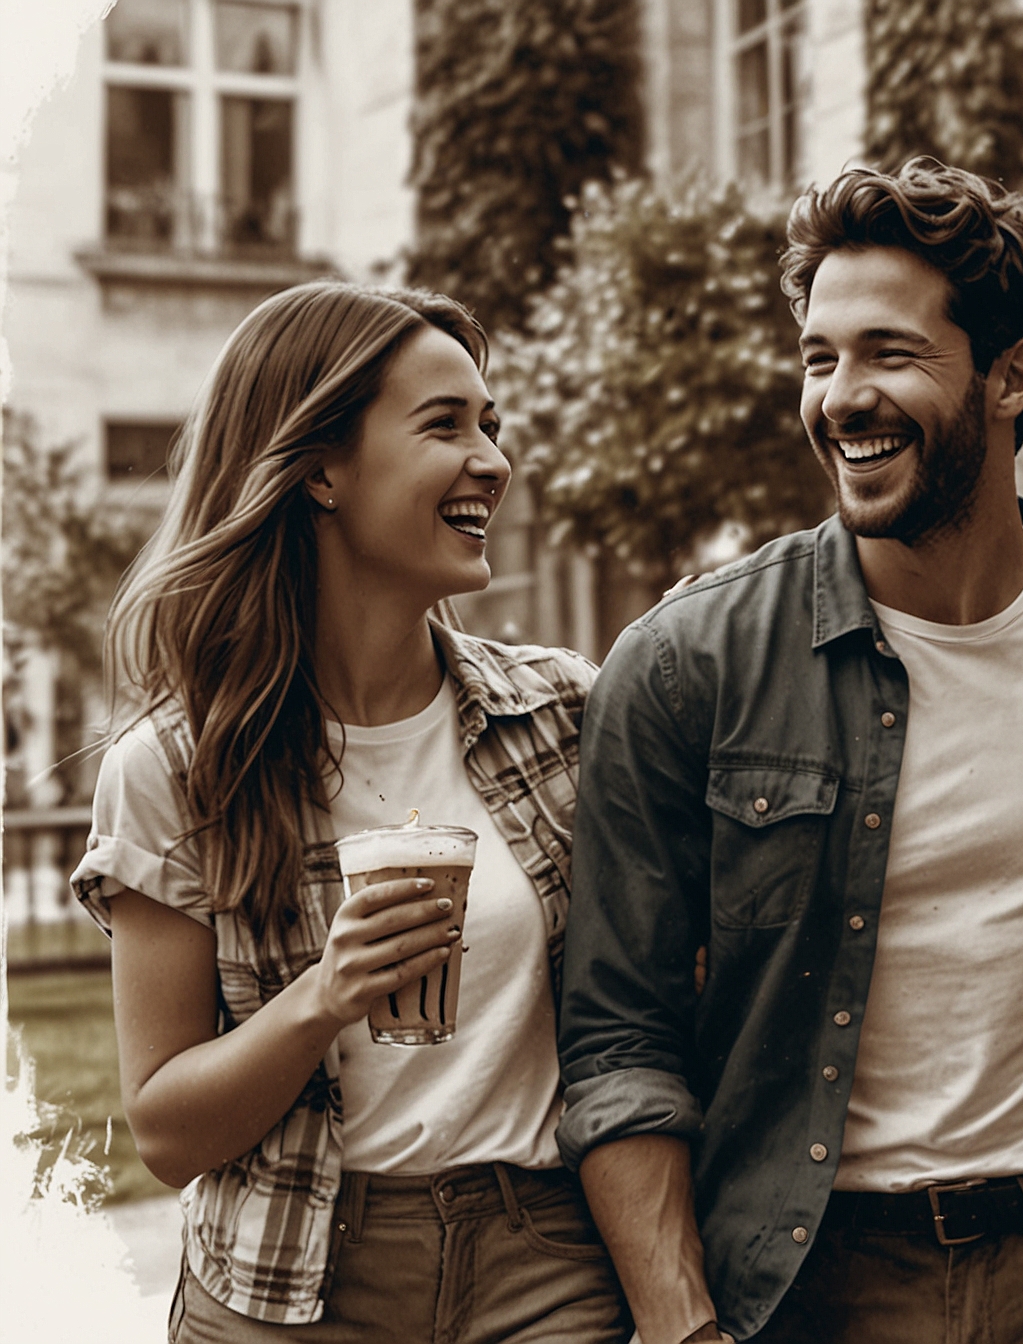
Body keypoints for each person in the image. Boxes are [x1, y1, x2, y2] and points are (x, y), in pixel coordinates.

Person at [556, 158, 1023, 1344]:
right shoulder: (689, 662)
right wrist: (680, 1323)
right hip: (807, 1282)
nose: (839, 396)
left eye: (888, 353)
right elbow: (619, 1032)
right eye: (819, 357)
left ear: (1010, 374)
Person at [70, 281, 632, 1341]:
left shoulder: (566, 712)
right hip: (286, 1284)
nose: (493, 462)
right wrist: (324, 996)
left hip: (544, 1261)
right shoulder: (176, 769)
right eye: (445, 425)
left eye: (491, 426)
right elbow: (166, 1132)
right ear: (321, 467)